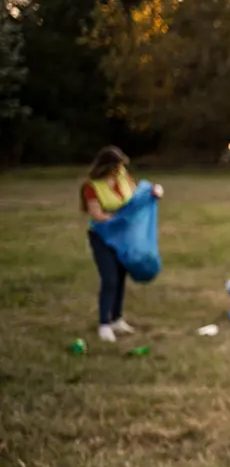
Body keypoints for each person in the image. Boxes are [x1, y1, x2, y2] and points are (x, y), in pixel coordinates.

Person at [79, 145, 163, 342]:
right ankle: (104, 324)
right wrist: (120, 220)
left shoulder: (124, 177)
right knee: (109, 279)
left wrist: (153, 193)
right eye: (116, 167)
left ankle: (117, 319)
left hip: (123, 238)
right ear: (106, 167)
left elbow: (135, 199)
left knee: (120, 277)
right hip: (102, 238)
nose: (120, 170)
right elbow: (97, 215)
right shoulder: (92, 186)